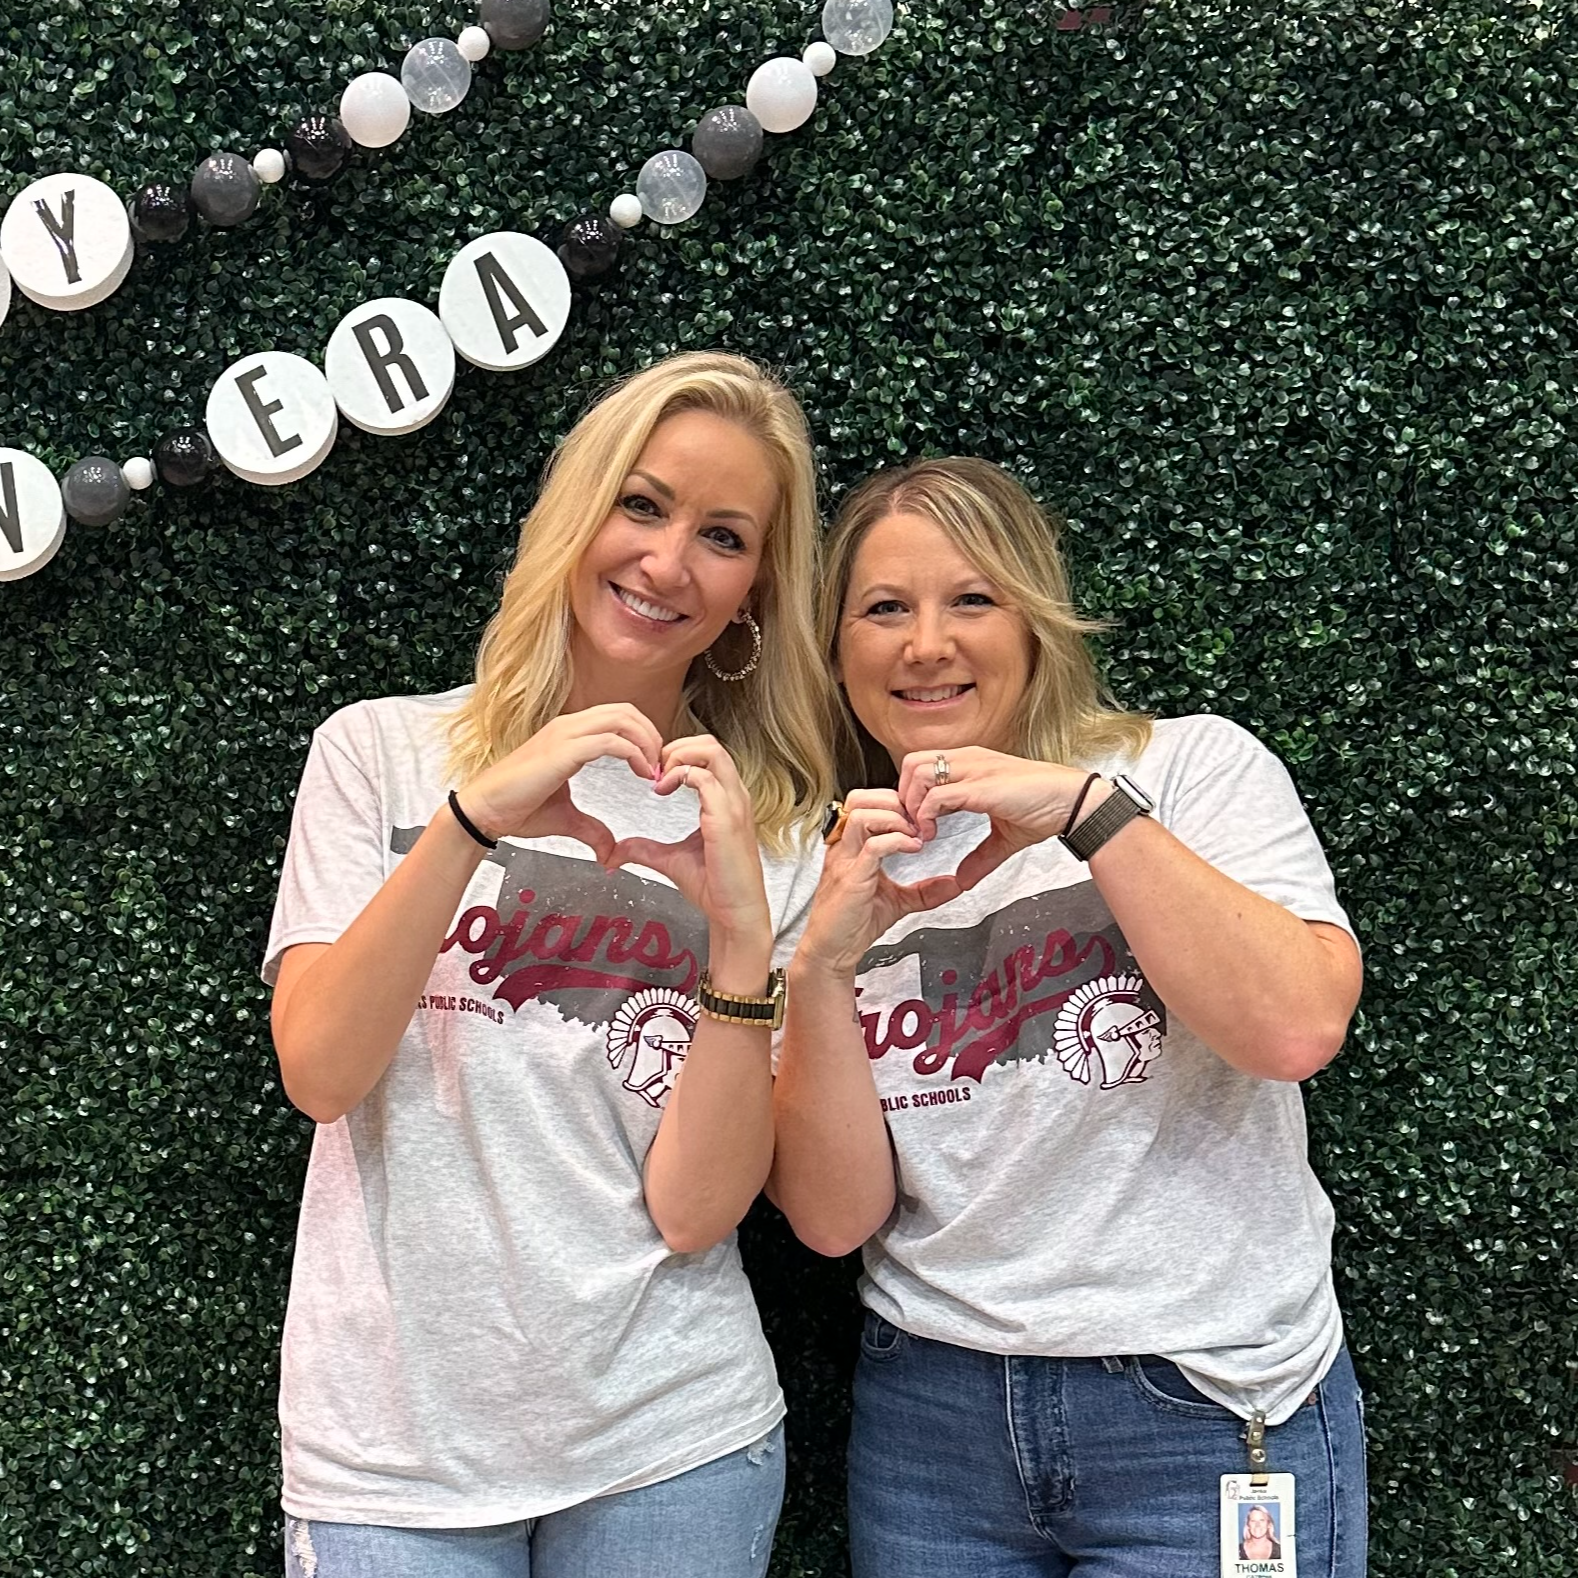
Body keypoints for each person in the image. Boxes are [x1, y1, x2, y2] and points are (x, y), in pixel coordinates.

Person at [264, 351, 835, 1577]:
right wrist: (475, 821)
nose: (668, 563)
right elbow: (320, 1069)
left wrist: (738, 944)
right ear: (577, 512)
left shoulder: (775, 832)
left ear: (754, 592)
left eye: (723, 536)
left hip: (669, 1438)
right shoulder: (377, 754)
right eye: (641, 504)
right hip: (390, 1457)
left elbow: (694, 1213)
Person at [770, 457, 1368, 1577]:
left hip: (1205, 1400)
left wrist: (1088, 810)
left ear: (1036, 618)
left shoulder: (1188, 770)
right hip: (934, 1420)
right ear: (836, 646)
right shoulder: (826, 863)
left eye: (972, 599)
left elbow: (1295, 1029)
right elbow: (835, 1216)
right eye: (884, 608)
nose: (926, 643)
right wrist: (819, 970)